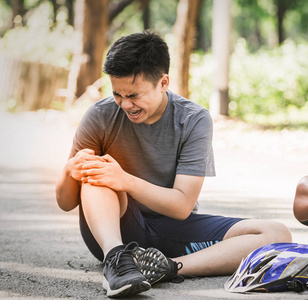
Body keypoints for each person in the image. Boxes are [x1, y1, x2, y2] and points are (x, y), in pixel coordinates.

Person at [55, 31, 292, 298]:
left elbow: (181, 206)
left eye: (134, 95)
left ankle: (167, 268)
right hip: (115, 229)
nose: (125, 104)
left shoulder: (193, 119)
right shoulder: (100, 115)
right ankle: (117, 262)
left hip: (173, 227)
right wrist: (68, 171)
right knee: (96, 175)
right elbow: (65, 203)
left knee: (276, 233)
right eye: (118, 94)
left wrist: (126, 180)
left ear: (163, 82)